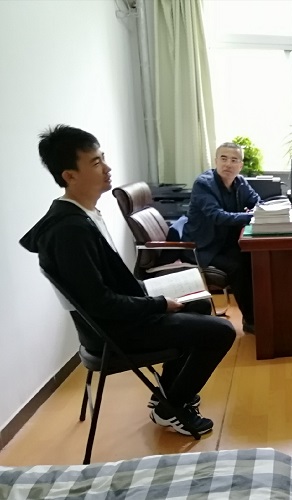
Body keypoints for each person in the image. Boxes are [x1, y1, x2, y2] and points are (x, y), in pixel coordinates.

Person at [20, 125, 236, 436]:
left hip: (118, 317)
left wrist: (156, 299)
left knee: (200, 303)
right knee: (222, 331)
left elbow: (104, 289)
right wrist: (158, 304)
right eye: (96, 162)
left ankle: (168, 395)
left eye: (103, 158)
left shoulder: (81, 215)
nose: (107, 168)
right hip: (114, 332)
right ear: (70, 175)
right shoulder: (70, 231)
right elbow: (100, 303)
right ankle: (170, 408)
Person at [182, 143, 260, 333]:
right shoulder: (204, 184)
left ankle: (263, 313)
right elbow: (218, 216)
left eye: (234, 160)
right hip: (204, 247)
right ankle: (251, 320)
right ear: (215, 161)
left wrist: (258, 210)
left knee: (258, 259)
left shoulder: (240, 182)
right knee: (238, 266)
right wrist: (251, 216)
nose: (228, 164)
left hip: (227, 243)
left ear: (240, 165)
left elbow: (257, 202)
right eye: (223, 159)